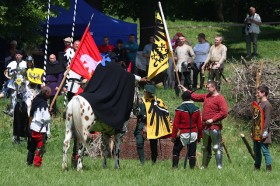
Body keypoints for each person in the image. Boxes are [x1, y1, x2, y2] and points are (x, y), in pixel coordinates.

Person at [179, 80, 228, 169]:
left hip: (215, 127)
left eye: (208, 87)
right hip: (205, 127)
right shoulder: (207, 96)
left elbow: (224, 112)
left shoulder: (220, 98)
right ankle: (204, 166)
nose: (207, 88)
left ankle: (219, 167)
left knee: (217, 148)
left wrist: (213, 119)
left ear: (214, 87)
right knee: (205, 148)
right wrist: (185, 90)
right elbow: (195, 97)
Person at [134, 84, 172, 165]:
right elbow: (136, 112)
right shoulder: (140, 101)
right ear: (145, 91)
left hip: (154, 125)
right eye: (148, 92)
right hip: (142, 123)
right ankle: (142, 163)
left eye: (151, 93)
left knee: (153, 145)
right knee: (139, 143)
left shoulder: (158, 101)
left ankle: (154, 162)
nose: (150, 94)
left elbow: (164, 112)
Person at [171, 91, 202, 169]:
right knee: (192, 154)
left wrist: (173, 136)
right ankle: (192, 169)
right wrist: (200, 137)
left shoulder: (179, 109)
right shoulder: (197, 109)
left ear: (182, 98)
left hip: (183, 134)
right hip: (194, 134)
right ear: (190, 98)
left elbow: (175, 124)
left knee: (176, 151)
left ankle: (175, 168)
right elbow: (200, 125)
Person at [26, 86, 51, 167]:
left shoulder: (36, 100)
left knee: (32, 147)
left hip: (33, 127)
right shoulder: (44, 104)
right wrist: (48, 112)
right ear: (46, 94)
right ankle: (37, 164)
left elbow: (31, 113)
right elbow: (46, 118)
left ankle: (29, 162)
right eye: (49, 94)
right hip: (40, 130)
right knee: (40, 148)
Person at [252, 85, 272, 171]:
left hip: (263, 131)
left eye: (258, 93)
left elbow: (267, 119)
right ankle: (257, 167)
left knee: (265, 150)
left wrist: (264, 132)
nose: (257, 94)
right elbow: (255, 118)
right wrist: (252, 130)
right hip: (256, 131)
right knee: (256, 150)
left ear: (264, 93)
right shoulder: (259, 104)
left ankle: (268, 169)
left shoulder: (267, 105)